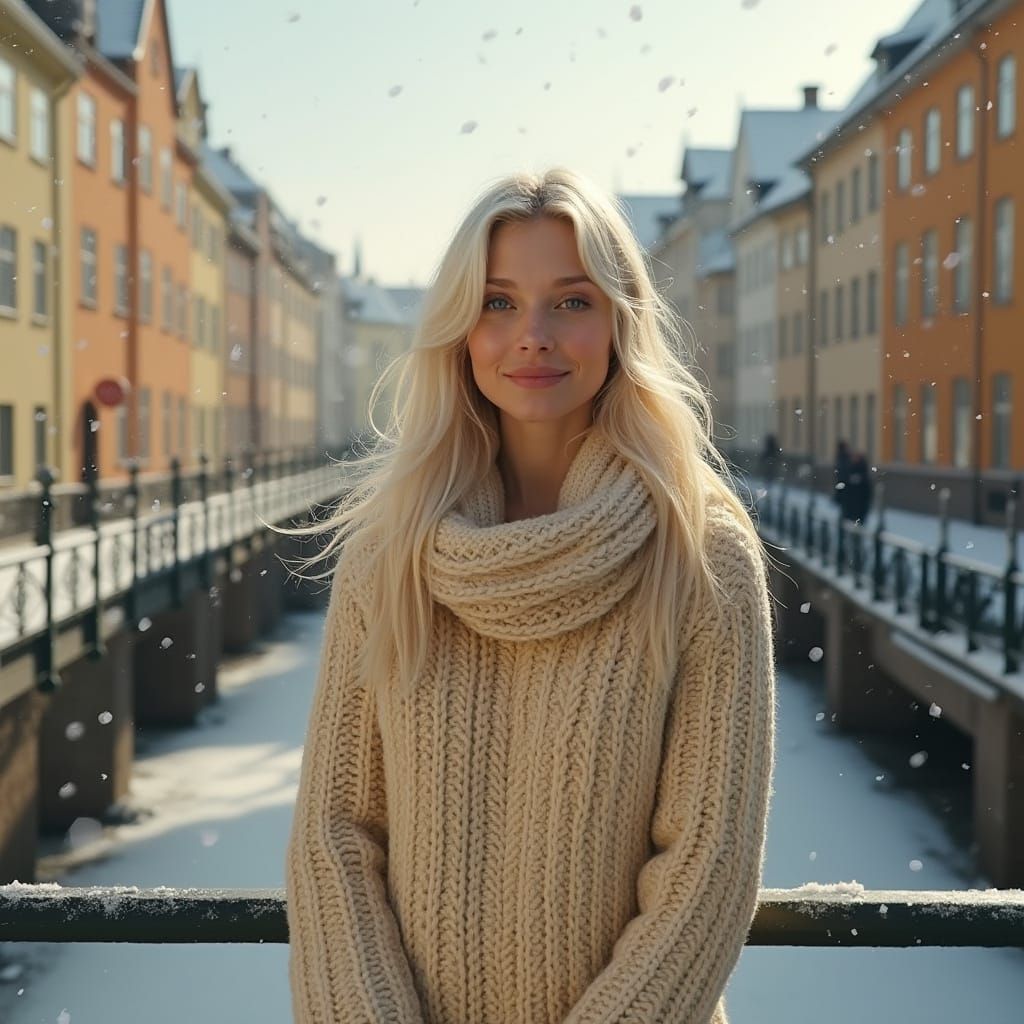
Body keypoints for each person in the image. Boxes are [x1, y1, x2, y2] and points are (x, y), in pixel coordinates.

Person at [284, 168, 776, 1024]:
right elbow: (335, 837)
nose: (533, 337)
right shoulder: (387, 558)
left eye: (573, 302)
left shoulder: (700, 557)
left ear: (621, 325)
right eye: (499, 303)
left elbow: (706, 867)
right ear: (460, 331)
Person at [843, 450, 873, 524]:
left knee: (858, 523)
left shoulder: (863, 473)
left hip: (860, 505)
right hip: (851, 505)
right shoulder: (849, 470)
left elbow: (867, 491)